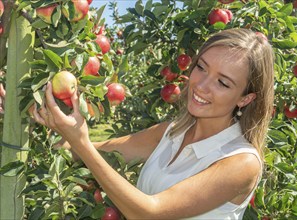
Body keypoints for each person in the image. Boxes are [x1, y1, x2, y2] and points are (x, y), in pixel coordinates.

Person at [30, 28, 274, 219]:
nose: (201, 85)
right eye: (201, 67)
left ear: (246, 98)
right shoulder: (169, 133)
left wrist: (80, 141)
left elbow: (148, 213)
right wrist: (35, 111)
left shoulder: (241, 161)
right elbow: (89, 153)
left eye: (223, 83)